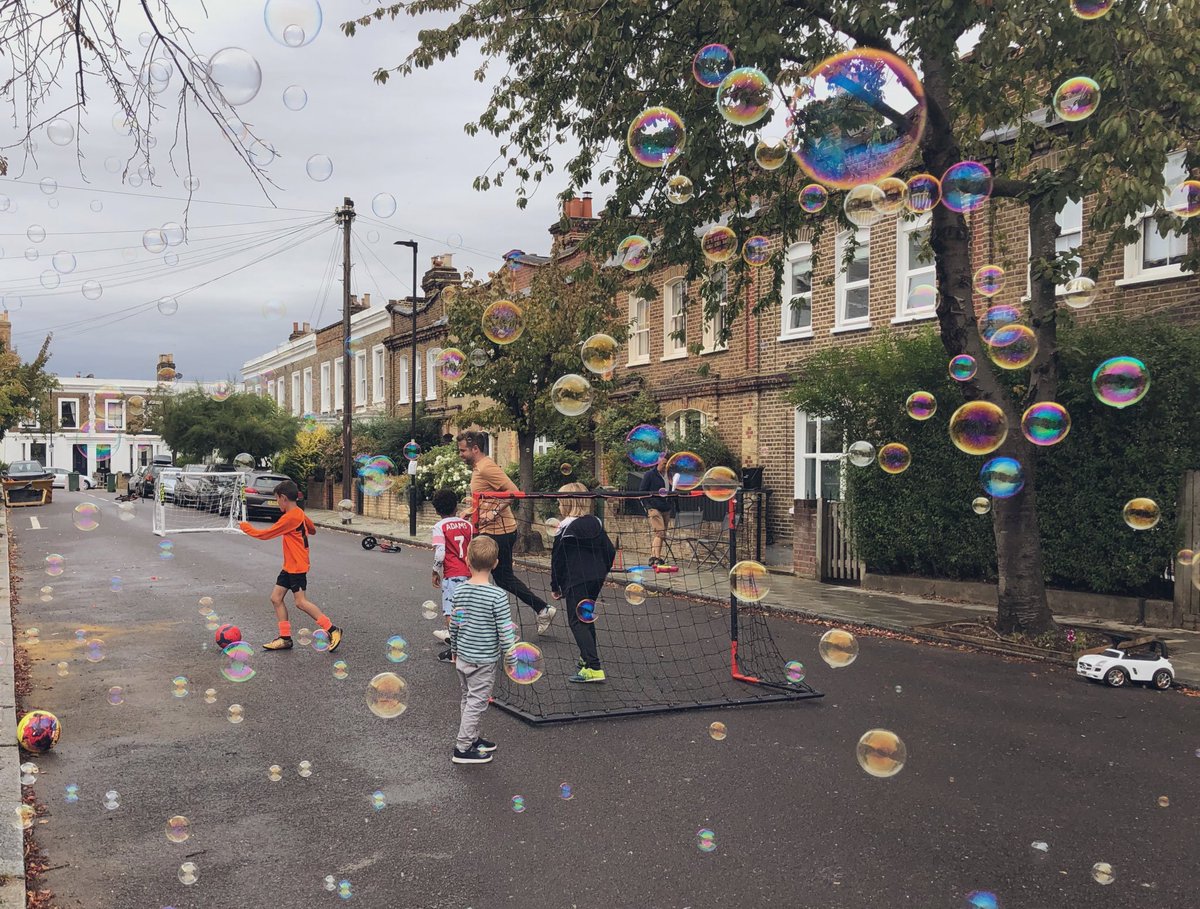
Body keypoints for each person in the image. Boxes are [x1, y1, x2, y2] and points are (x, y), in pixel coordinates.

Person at [456, 430, 557, 635]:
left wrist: (492, 513)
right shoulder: (478, 467)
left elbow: (514, 492)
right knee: (496, 576)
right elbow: (488, 497)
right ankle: (539, 609)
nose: (460, 454)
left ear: (475, 449)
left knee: (493, 575)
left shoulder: (487, 467)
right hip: (488, 530)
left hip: (499, 531)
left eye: (462, 450)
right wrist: (472, 510)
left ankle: (541, 609)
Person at [239, 480, 343, 652]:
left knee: (301, 602)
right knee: (276, 598)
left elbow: (265, 534)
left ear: (283, 498)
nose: (277, 502)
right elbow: (312, 529)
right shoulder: (299, 513)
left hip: (297, 567)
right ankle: (285, 638)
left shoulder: (289, 518)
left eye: (277, 499)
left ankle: (333, 630)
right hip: (290, 565)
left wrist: (245, 527)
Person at [449, 536, 517, 765]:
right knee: (476, 702)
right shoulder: (497, 596)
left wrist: (454, 650)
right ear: (496, 563)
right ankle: (462, 748)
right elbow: (506, 632)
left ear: (467, 561)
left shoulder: (459, 592)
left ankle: (472, 738)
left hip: (463, 658)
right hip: (484, 661)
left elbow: (454, 625)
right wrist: (512, 657)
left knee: (468, 698)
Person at [550, 483, 616, 683]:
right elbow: (610, 551)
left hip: (576, 580)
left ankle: (594, 667)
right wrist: (602, 571)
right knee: (585, 616)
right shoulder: (595, 523)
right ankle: (586, 657)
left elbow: (557, 560)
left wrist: (556, 585)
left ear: (566, 503)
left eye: (560, 501)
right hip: (595, 578)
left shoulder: (564, 528)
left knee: (576, 621)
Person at [430, 487, 473, 663]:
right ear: (456, 506)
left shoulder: (439, 526)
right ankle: (471, 646)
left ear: (436, 510)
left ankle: (456, 652)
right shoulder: (468, 525)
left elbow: (440, 551)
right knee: (469, 611)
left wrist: (435, 570)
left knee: (451, 613)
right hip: (471, 574)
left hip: (453, 575)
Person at [638, 451, 676, 567]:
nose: (664, 466)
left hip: (665, 507)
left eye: (666, 464)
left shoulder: (670, 475)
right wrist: (647, 506)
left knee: (660, 534)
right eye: (663, 464)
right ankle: (658, 558)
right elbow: (641, 491)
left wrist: (671, 502)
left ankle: (652, 556)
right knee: (660, 532)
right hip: (653, 507)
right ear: (658, 462)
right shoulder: (649, 475)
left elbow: (672, 490)